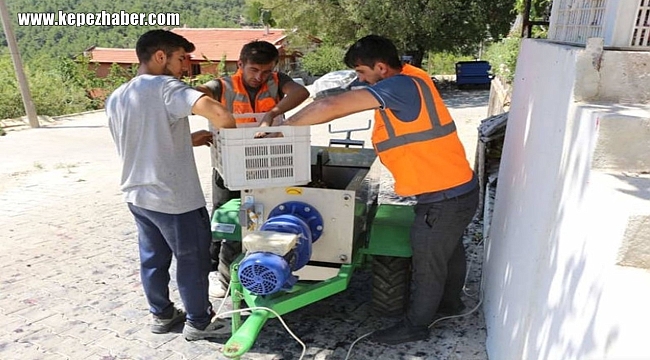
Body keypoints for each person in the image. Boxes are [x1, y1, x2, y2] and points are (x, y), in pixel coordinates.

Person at [284, 35, 479, 345]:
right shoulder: (412, 76)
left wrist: (284, 126)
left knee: (428, 261)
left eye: (362, 72)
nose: (359, 80)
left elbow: (332, 105)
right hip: (456, 188)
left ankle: (416, 325)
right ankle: (450, 304)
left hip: (443, 197)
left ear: (381, 67)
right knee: (449, 252)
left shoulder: (400, 87)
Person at [105, 29, 237, 341]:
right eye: (181, 59)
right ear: (161, 56)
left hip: (138, 196)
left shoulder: (118, 96)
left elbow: (140, 140)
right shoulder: (167, 87)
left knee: (153, 259)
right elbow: (220, 114)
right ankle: (199, 322)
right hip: (174, 199)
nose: (184, 68)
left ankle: (162, 315)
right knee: (192, 260)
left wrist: (187, 139)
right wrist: (236, 136)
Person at [196, 40, 309, 297]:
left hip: (268, 164)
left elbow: (301, 93)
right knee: (225, 218)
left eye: (266, 71)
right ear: (240, 65)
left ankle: (260, 263)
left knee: (260, 215)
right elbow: (196, 94)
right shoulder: (222, 85)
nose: (260, 77)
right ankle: (215, 270)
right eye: (254, 70)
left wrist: (273, 113)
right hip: (230, 167)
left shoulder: (278, 81)